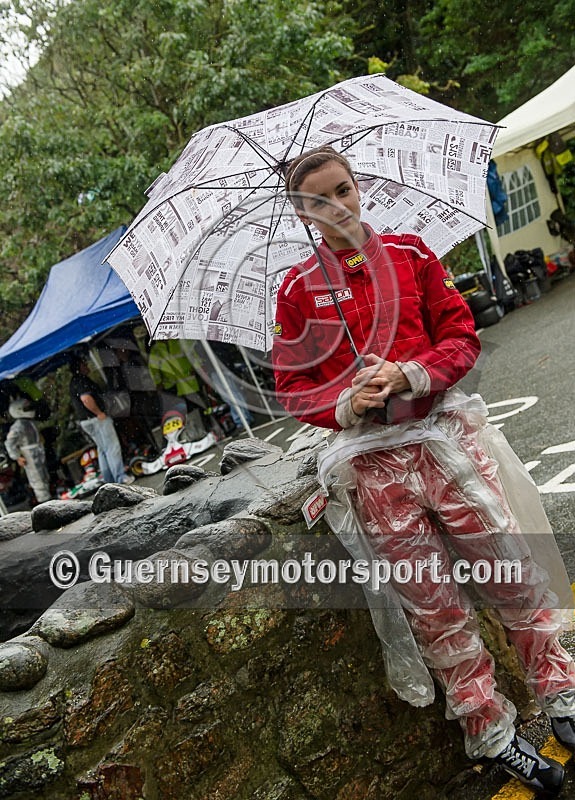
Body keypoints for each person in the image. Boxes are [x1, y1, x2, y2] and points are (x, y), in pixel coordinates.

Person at [272, 145, 575, 797]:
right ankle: (491, 733)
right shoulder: (296, 291)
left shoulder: (409, 254)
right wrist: (346, 400)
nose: (337, 206)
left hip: (445, 444)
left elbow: (461, 337)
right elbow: (292, 388)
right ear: (302, 214)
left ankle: (560, 693)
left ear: (357, 187)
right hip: (373, 472)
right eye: (318, 200)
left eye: (343, 189)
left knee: (510, 573)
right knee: (435, 609)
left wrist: (410, 373)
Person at [69, 355, 134, 486]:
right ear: (79, 366)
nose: (87, 366)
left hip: (86, 420)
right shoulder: (81, 380)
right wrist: (99, 412)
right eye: (84, 364)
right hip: (95, 418)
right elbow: (86, 399)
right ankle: (120, 477)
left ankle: (109, 480)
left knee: (103, 449)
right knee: (112, 447)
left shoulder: (73, 382)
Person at [4, 397, 51, 504]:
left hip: (37, 451)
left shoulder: (28, 422)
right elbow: (9, 443)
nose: (30, 410)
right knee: (37, 479)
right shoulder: (18, 426)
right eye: (26, 408)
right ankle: (45, 501)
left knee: (44, 476)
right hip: (29, 454)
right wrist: (17, 457)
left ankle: (49, 499)